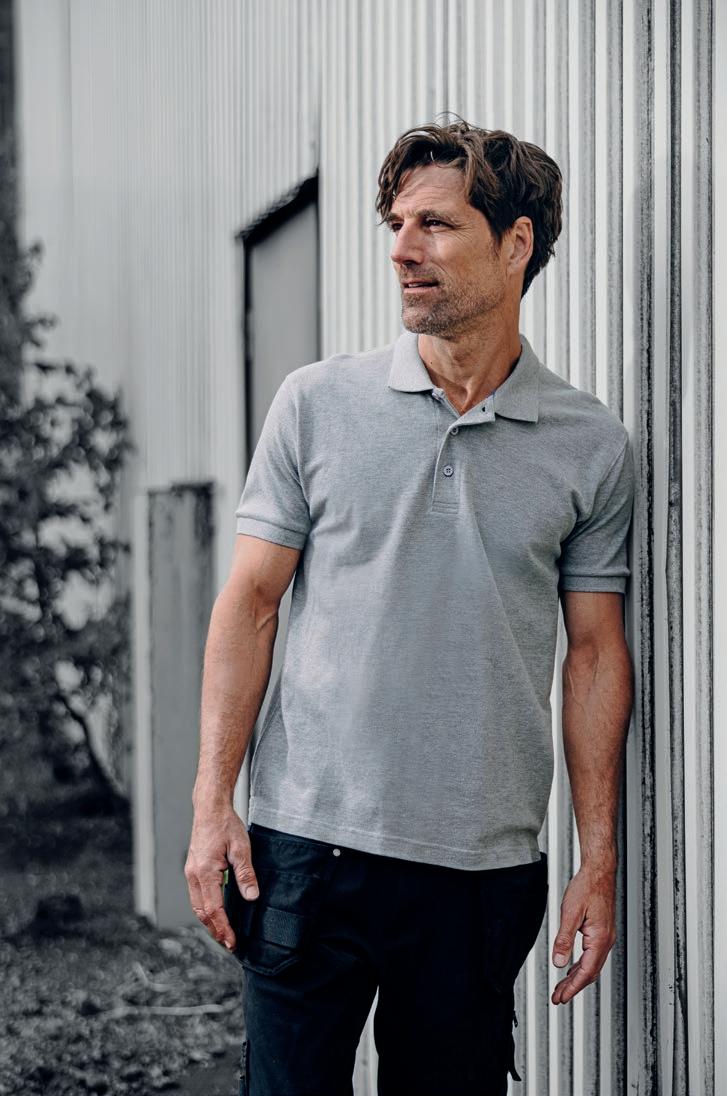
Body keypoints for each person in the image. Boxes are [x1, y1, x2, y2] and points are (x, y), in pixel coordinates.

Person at [185, 117, 635, 1096]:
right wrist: (212, 804)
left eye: (434, 224)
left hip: (477, 867)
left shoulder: (590, 446)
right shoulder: (315, 404)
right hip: (305, 849)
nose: (401, 248)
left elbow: (594, 655)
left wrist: (596, 858)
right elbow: (251, 602)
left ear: (515, 244)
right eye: (396, 223)